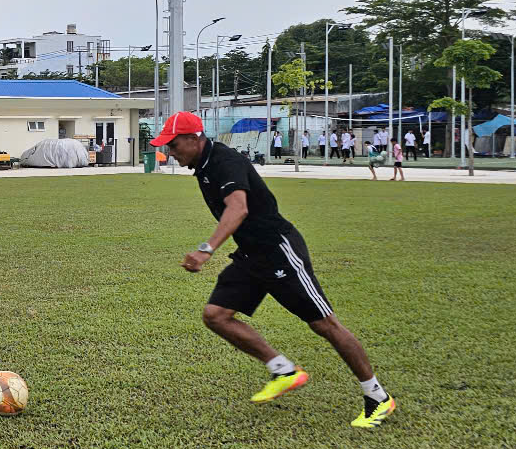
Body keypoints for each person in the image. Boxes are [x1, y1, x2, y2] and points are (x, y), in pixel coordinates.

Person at [152, 111, 397, 429]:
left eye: (173, 145)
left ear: (193, 138)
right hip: (251, 255)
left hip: (279, 251)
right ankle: (283, 370)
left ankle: (377, 396)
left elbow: (238, 208)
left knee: (325, 325)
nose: (171, 153)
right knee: (216, 315)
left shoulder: (224, 161)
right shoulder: (203, 165)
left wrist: (206, 249)